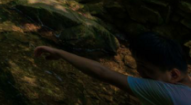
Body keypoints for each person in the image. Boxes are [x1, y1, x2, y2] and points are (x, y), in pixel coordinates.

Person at [33, 33, 191, 104]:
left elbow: (103, 73)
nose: (139, 73)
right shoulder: (185, 85)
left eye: (147, 70)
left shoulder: (166, 93)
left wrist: (59, 52)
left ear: (174, 74)